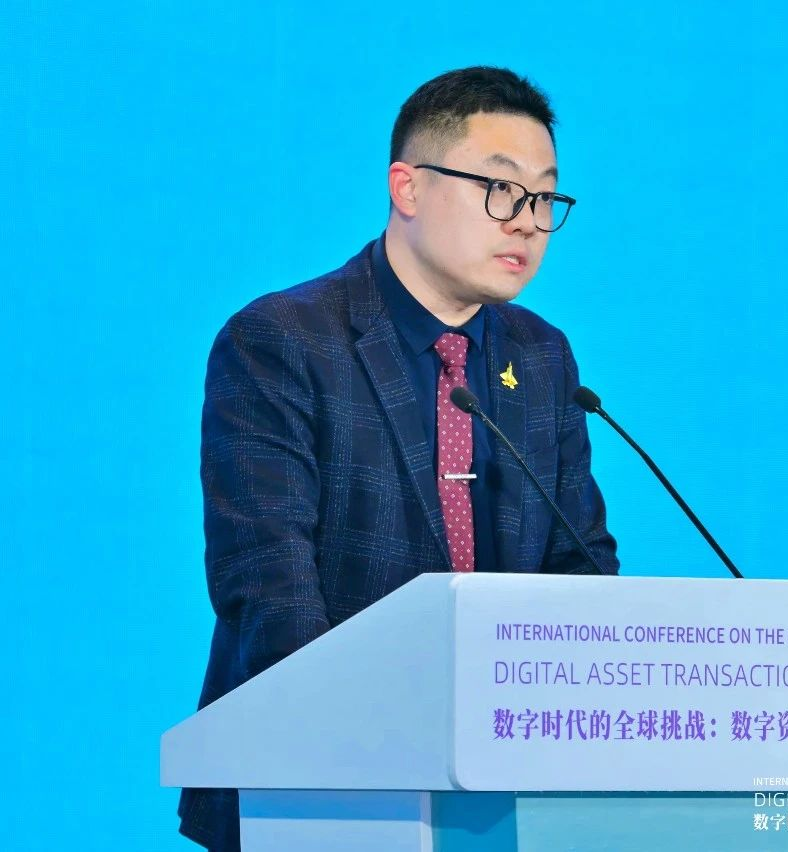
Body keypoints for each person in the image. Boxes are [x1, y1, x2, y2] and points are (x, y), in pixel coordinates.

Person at [177, 66, 619, 852]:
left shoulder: (542, 357)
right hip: (316, 789)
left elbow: (580, 568)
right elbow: (269, 588)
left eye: (545, 198)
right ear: (407, 187)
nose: (526, 223)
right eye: (501, 189)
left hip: (504, 793)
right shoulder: (283, 341)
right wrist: (389, 737)